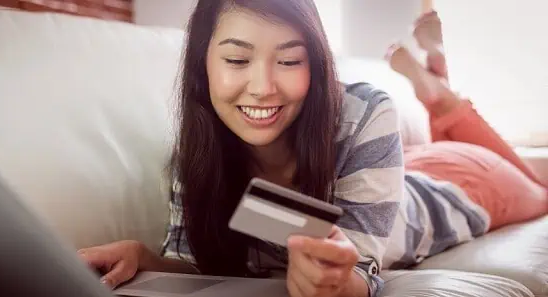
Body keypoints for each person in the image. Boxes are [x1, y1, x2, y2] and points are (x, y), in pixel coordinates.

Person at [77, 2, 548, 297]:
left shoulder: (364, 110)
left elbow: (361, 270)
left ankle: (438, 87)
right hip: (388, 177)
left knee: (540, 189)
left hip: (454, 188)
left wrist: (342, 283)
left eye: (289, 60)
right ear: (203, 67)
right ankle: (435, 77)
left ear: (316, 64)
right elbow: (194, 261)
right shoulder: (197, 149)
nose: (262, 87)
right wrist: (142, 255)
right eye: (237, 59)